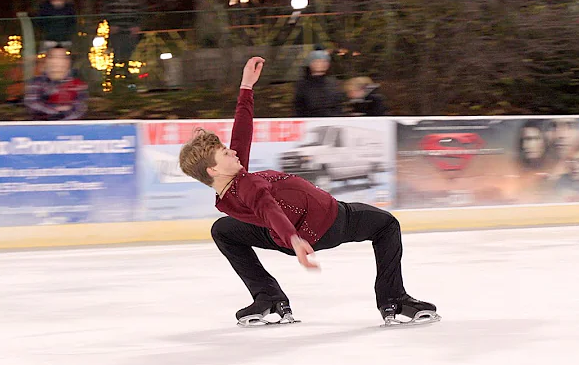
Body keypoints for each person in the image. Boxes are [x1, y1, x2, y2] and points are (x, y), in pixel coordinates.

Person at [178, 57, 439, 326]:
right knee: (386, 225)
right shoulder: (247, 184)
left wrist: (246, 87)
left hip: (292, 233)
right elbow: (267, 206)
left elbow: (242, 132)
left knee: (223, 229)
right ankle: (393, 301)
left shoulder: (231, 182)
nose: (233, 151)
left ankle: (269, 299)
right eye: (225, 152)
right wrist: (293, 238)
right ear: (213, 170)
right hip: (330, 222)